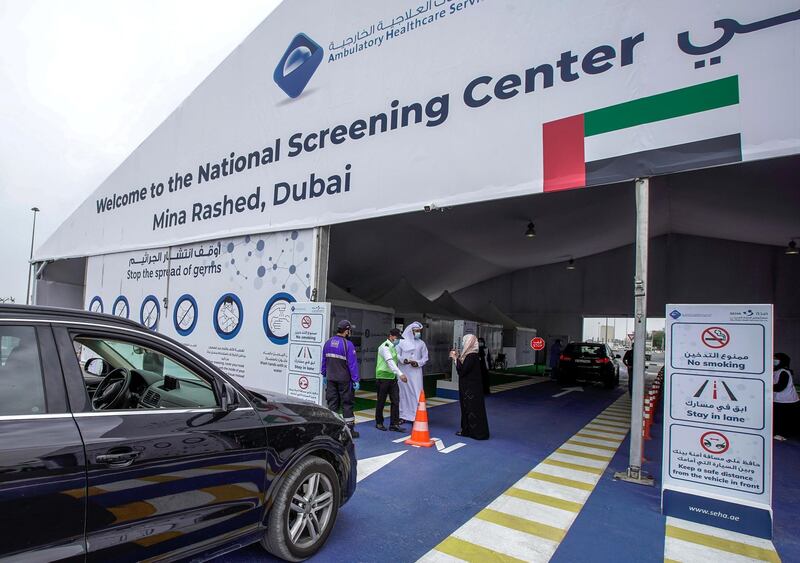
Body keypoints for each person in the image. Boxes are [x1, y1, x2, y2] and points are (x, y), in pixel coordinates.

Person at [321, 320, 360, 438]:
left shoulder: (328, 343)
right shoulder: (347, 344)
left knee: (332, 404)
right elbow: (352, 364)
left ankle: (331, 429)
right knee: (347, 404)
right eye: (349, 330)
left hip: (331, 379)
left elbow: (324, 361)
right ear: (347, 331)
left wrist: (324, 374)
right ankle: (349, 430)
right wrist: (356, 380)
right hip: (344, 380)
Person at [449, 334, 490, 440]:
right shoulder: (472, 355)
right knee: (470, 408)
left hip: (469, 389)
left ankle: (473, 431)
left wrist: (454, 358)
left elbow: (462, 371)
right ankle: (468, 430)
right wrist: (457, 358)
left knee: (470, 409)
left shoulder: (471, 356)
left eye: (464, 341)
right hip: (471, 388)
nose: (463, 343)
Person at [375, 328, 407, 432]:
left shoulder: (393, 347)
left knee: (396, 401)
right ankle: (379, 422)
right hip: (383, 378)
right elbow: (390, 362)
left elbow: (396, 358)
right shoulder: (385, 347)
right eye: (397, 338)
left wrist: (405, 360)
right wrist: (400, 374)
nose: (398, 340)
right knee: (381, 401)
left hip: (392, 378)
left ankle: (394, 424)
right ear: (392, 337)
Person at [397, 321, 429, 423]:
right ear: (411, 331)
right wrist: (404, 360)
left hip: (416, 373)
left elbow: (425, 358)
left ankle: (417, 416)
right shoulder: (401, 342)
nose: (418, 333)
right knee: (403, 394)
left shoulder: (421, 343)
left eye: (419, 331)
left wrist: (418, 363)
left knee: (417, 393)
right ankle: (403, 416)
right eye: (416, 331)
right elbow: (396, 355)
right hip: (404, 372)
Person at [773, 352, 798, 441]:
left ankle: (783, 435)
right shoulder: (775, 371)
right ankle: (779, 433)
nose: (773, 360)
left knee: (783, 419)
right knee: (778, 418)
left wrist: (766, 386)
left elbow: (780, 387)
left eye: (776, 358)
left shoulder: (784, 372)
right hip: (779, 399)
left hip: (787, 400)